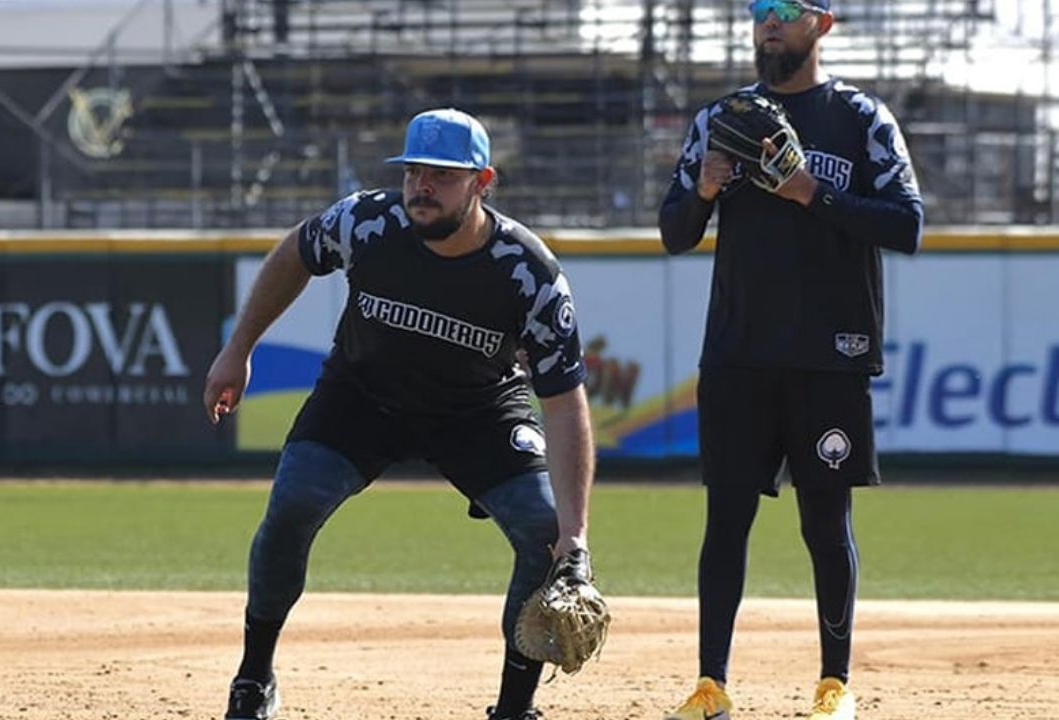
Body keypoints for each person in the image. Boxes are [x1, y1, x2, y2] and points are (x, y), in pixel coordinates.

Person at [203, 107, 596, 720]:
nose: (422, 187)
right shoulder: (368, 221)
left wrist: (575, 537)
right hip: (362, 397)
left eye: (442, 174)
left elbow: (566, 403)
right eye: (414, 171)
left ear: (482, 183)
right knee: (292, 505)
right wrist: (237, 349)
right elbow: (295, 253)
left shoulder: (528, 273)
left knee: (542, 533)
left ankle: (514, 709)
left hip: (478, 411)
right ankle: (254, 677)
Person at [657, 1, 924, 719]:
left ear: (822, 24)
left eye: (784, 10)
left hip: (829, 354)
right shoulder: (723, 119)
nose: (768, 23)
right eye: (758, 10)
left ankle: (834, 683)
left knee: (824, 522)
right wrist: (705, 188)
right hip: (740, 353)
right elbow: (674, 232)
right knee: (726, 520)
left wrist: (813, 192)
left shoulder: (860, 118)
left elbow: (907, 223)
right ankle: (711, 683)